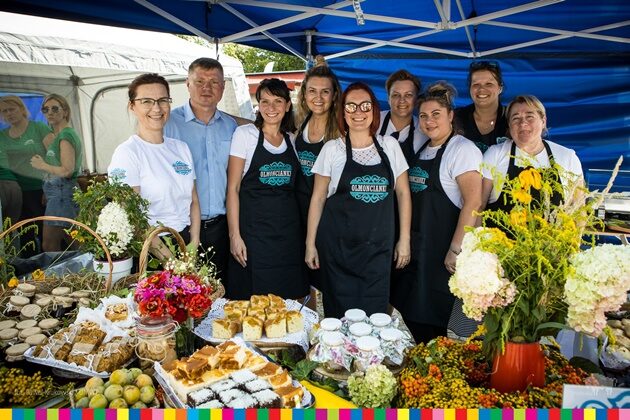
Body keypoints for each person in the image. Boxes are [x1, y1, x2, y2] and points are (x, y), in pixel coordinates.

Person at [306, 82, 412, 318]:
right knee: (339, 319)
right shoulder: (332, 150)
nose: (358, 112)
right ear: (343, 112)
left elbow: (403, 194)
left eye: (364, 106)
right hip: (337, 252)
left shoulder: (390, 146)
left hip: (377, 252)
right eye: (351, 106)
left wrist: (404, 240)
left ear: (374, 109)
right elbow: (318, 198)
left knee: (375, 319)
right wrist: (310, 244)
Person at [390, 82, 483, 343]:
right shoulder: (424, 147)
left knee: (432, 318)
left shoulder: (462, 150)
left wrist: (456, 249)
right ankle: (428, 358)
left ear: (451, 116)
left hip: (440, 252)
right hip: (418, 247)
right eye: (424, 116)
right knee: (409, 309)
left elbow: (473, 202)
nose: (429, 121)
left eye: (436, 115)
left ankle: (434, 362)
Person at [164, 58, 245, 282]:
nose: (206, 88)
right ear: (187, 84)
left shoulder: (232, 126)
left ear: (223, 87)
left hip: (221, 226)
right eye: (199, 81)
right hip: (182, 226)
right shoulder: (168, 124)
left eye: (214, 82)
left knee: (218, 290)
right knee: (181, 291)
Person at [226, 78, 308, 300]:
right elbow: (232, 189)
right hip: (254, 236)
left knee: (288, 301)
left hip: (288, 236)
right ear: (258, 105)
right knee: (253, 302)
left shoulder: (291, 140)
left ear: (287, 105)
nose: (271, 108)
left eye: (277, 101)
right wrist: (235, 236)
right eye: (265, 102)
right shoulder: (245, 135)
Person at [108, 73, 200, 248]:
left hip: (186, 240)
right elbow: (132, 217)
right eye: (147, 101)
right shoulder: (127, 153)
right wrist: (170, 260)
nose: (157, 108)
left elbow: (193, 200)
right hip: (152, 245)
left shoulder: (181, 148)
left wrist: (194, 243)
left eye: (162, 100)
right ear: (132, 106)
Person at [482, 95, 583, 212]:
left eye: (530, 117)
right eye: (516, 118)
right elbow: (479, 205)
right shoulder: (495, 154)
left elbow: (579, 210)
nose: (523, 123)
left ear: (543, 121)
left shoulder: (567, 157)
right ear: (509, 126)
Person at [294, 63, 342, 307]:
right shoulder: (300, 123)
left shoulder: (341, 130)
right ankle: (309, 329)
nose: (318, 97)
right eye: (312, 91)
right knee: (305, 278)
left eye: (325, 91)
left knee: (329, 277)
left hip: (329, 216)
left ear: (334, 96)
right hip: (301, 211)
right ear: (304, 94)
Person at [29, 94, 82, 252]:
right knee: (74, 240)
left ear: (65, 111)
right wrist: (48, 190)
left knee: (50, 245)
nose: (49, 113)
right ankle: (88, 272)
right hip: (59, 193)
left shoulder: (65, 135)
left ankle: (60, 276)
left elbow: (67, 170)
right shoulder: (60, 135)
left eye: (54, 108)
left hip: (62, 192)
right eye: (45, 109)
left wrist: (42, 165)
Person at [0, 95, 50, 254]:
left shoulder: (39, 128)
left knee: (46, 233)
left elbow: (54, 155)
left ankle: (52, 268)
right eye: (4, 111)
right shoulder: (2, 136)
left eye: (12, 109)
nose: (9, 113)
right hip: (18, 192)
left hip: (40, 189)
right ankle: (32, 272)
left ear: (22, 109)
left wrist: (49, 186)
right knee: (25, 235)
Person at [454, 61, 508, 153]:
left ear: (500, 88)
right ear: (470, 88)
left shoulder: (512, 117)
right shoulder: (456, 117)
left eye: (489, 84)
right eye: (476, 84)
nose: (482, 89)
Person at [378, 70, 423, 164]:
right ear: (388, 99)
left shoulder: (425, 129)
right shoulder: (373, 121)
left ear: (416, 99)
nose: (402, 100)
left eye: (408, 95)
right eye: (396, 95)